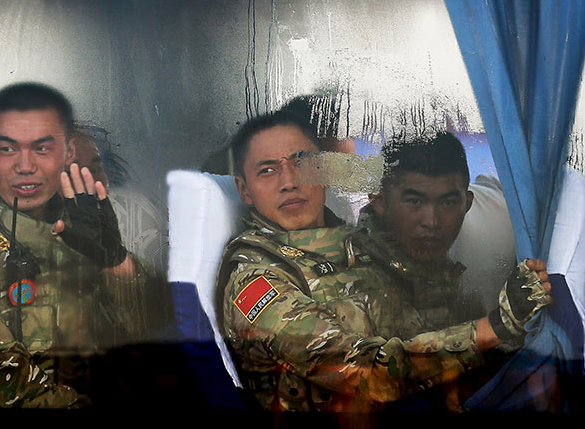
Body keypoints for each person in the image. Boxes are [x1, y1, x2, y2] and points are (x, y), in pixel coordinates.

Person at [216, 111, 552, 412]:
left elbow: (429, 313)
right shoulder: (258, 279)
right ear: (245, 191)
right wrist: (494, 327)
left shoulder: (357, 241)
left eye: (302, 162)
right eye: (268, 170)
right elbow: (368, 374)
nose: (289, 181)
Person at [0, 82, 156, 407]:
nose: (26, 166)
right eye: (8, 149)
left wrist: (117, 262)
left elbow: (160, 333)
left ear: (66, 155)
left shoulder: (83, 229)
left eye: (42, 148)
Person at [356, 131, 485, 331]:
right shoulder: (350, 284)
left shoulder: (460, 293)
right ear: (379, 201)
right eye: (414, 202)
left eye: (447, 203)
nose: (432, 222)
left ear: (467, 203)